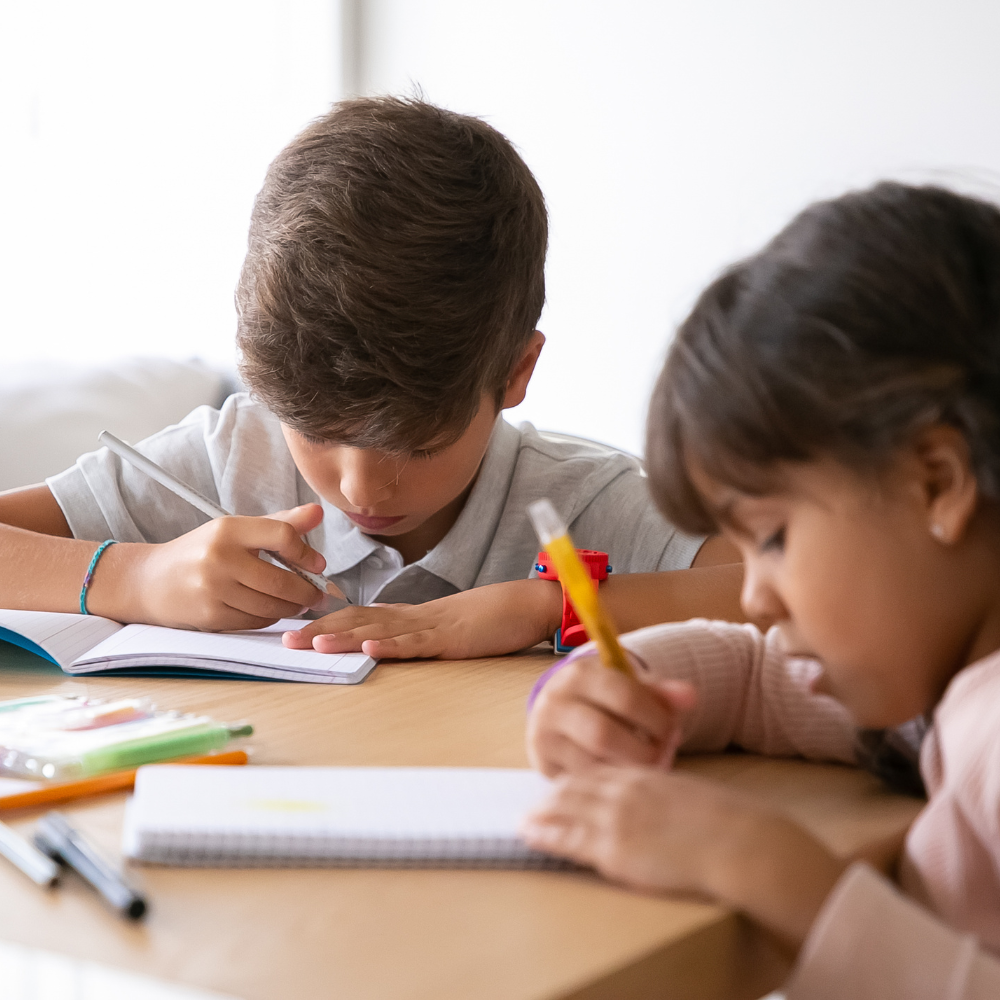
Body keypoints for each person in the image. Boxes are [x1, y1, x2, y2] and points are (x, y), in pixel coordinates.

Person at [0, 97, 738, 641]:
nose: (359, 488)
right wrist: (132, 577)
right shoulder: (230, 464)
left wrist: (551, 605)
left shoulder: (581, 508)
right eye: (316, 429)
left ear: (516, 371)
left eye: (416, 443)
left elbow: (805, 596)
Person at [520, 182, 1000, 997]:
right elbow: (760, 676)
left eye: (773, 538)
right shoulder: (947, 676)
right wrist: (617, 683)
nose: (755, 597)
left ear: (935, 482)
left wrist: (768, 869)